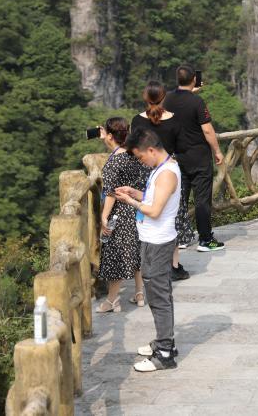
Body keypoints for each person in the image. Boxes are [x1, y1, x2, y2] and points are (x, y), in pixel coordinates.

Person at [113, 127, 181, 372]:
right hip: (153, 239)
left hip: (158, 242)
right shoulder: (161, 168)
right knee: (160, 293)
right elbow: (154, 199)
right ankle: (165, 341)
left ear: (151, 150)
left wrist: (130, 201)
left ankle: (164, 354)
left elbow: (154, 210)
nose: (141, 161)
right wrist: (136, 193)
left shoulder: (166, 174)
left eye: (141, 157)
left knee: (158, 296)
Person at [131, 80, 191, 282]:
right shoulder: (174, 119)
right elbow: (183, 147)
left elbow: (133, 149)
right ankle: (174, 265)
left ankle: (146, 261)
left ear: (145, 98)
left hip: (143, 171)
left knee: (149, 212)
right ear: (164, 98)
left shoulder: (137, 121)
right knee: (172, 215)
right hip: (168, 168)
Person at [165, 66, 225, 262]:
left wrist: (191, 92)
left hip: (176, 157)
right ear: (193, 79)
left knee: (179, 199)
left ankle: (180, 237)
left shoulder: (168, 99)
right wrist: (217, 151)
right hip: (198, 157)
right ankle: (205, 239)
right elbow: (207, 130)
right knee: (202, 200)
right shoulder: (197, 102)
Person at [96, 118, 147, 312]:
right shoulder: (133, 154)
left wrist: (104, 217)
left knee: (115, 255)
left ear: (111, 135)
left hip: (120, 212)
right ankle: (139, 293)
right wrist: (107, 138)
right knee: (135, 250)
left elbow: (111, 193)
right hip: (137, 209)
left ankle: (111, 300)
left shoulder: (114, 161)